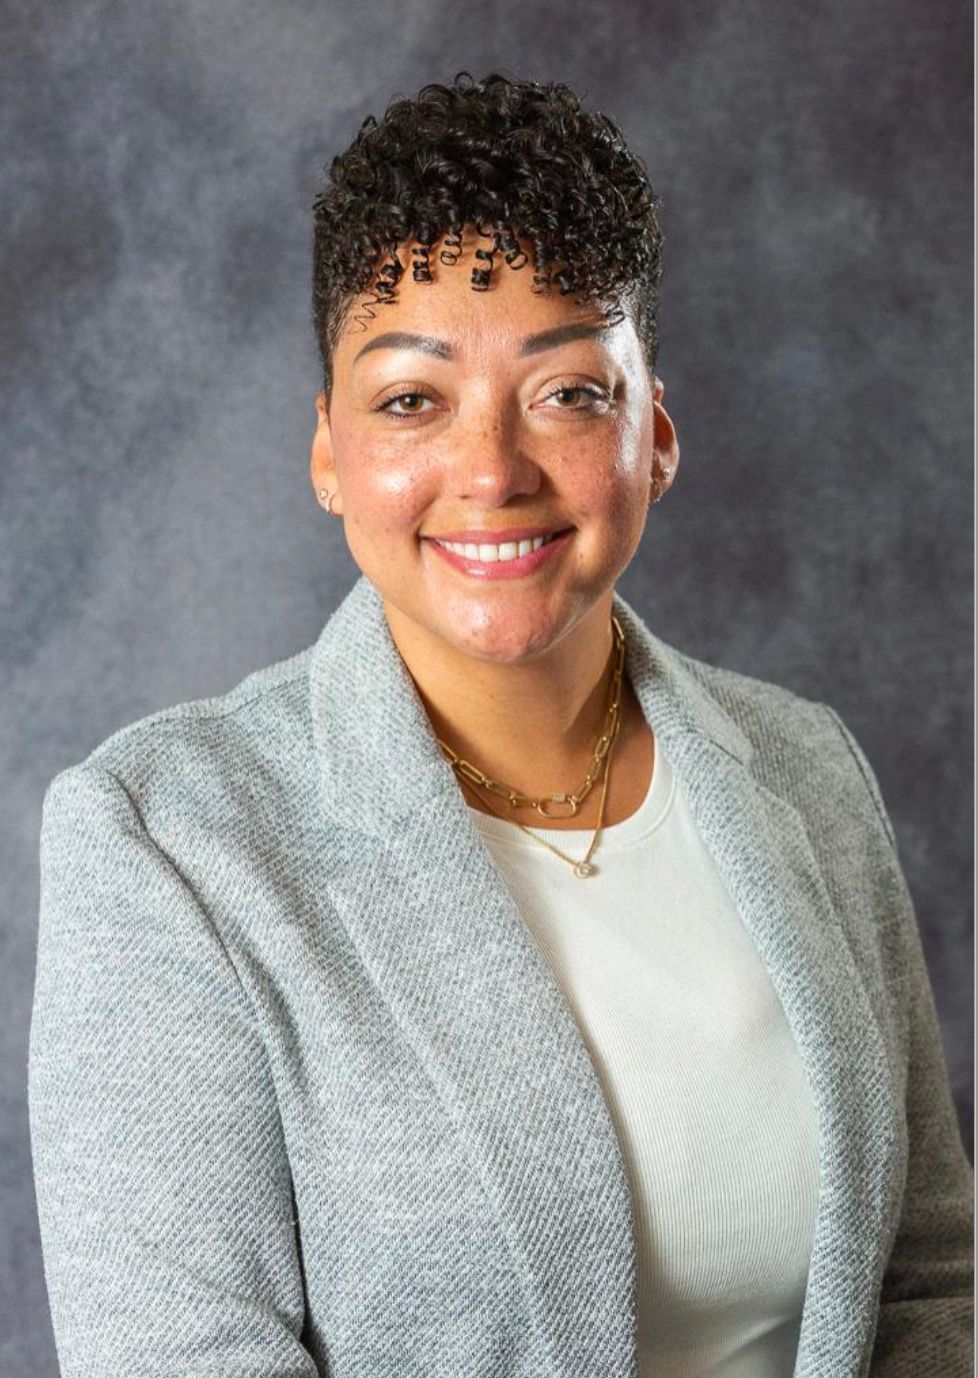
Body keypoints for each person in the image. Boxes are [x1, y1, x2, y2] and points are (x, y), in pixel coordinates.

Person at [28, 70, 972, 1378]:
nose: (491, 471)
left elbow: (930, 1282)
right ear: (328, 451)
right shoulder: (169, 842)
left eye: (568, 391)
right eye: (411, 400)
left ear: (655, 434)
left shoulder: (808, 769)